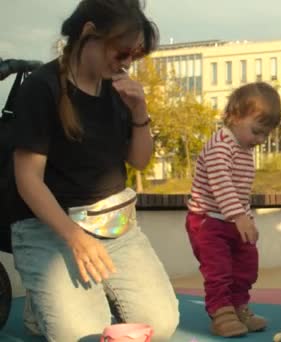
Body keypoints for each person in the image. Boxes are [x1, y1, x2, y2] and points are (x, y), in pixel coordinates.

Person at [10, 1, 179, 340]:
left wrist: (139, 110)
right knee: (83, 334)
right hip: (52, 229)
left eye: (134, 56)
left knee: (159, 326)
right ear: (89, 33)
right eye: (121, 54)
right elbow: (28, 180)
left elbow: (140, 161)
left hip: (114, 225)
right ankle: (44, 307)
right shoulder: (42, 88)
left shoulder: (118, 88)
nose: (127, 64)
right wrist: (76, 238)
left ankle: (77, 296)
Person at [185, 82, 281, 337]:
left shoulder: (243, 148)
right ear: (235, 116)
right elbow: (221, 183)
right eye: (256, 132)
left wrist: (246, 217)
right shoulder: (220, 145)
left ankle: (239, 306)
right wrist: (239, 216)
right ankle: (221, 312)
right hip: (208, 221)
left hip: (232, 219)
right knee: (218, 269)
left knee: (247, 265)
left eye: (265, 135)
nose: (260, 140)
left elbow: (240, 192)